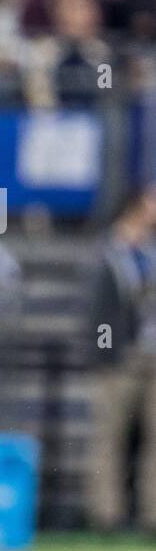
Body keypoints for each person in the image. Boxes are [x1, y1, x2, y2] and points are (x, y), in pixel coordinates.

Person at [86, 187, 156, 532]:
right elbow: (99, 311)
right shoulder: (110, 253)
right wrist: (107, 353)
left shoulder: (150, 252)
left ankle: (151, 515)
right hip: (122, 356)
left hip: (153, 354)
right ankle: (106, 515)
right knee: (109, 435)